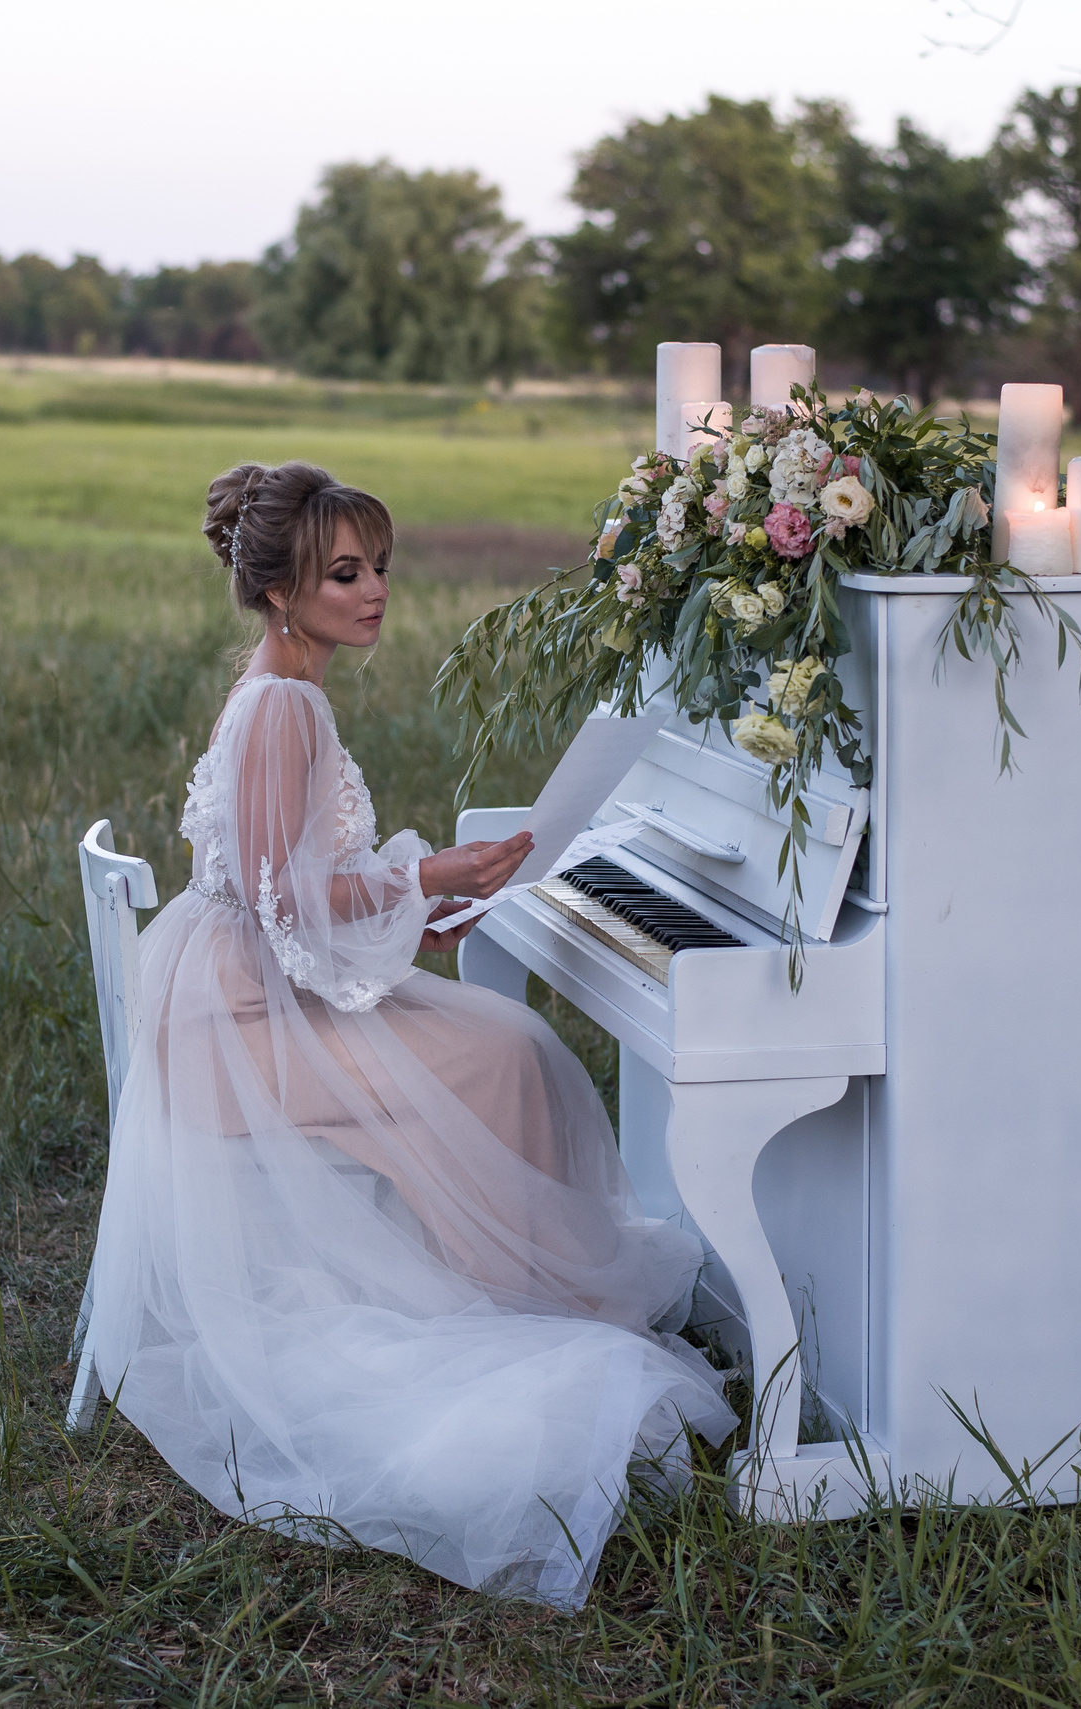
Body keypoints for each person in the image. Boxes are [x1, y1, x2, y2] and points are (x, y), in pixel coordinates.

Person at [75, 460, 734, 1610]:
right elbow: (284, 890)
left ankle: (512, 1283)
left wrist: (412, 906)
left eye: (378, 566)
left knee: (498, 1045)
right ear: (282, 590)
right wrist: (422, 876)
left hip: (237, 983)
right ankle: (522, 1307)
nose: (374, 589)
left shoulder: (282, 685)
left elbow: (283, 887)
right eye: (344, 572)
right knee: (506, 1054)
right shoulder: (284, 701)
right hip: (236, 1019)